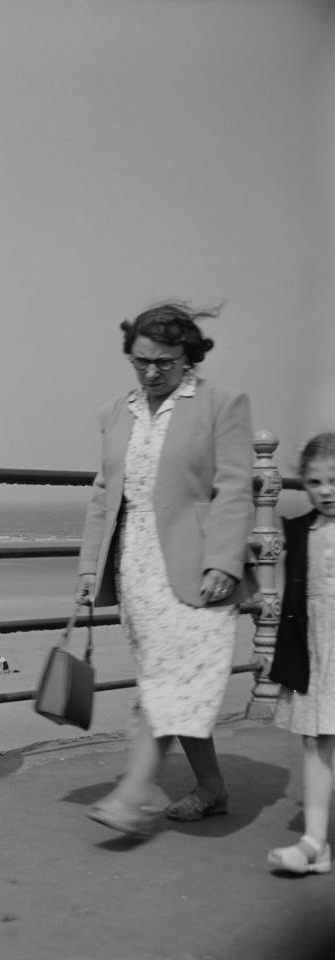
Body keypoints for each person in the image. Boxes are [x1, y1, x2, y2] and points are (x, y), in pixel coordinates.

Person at [76, 301, 256, 839]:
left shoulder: (222, 404)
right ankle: (212, 787)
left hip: (199, 567)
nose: (152, 372)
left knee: (168, 682)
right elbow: (105, 494)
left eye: (165, 362)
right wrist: (90, 567)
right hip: (137, 567)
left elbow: (234, 487)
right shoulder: (115, 412)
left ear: (188, 357)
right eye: (141, 361)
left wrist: (225, 559)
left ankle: (135, 791)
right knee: (170, 680)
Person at [266, 433, 335, 875]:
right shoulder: (297, 531)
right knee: (317, 741)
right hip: (319, 653)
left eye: (333, 480)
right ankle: (314, 843)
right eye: (314, 482)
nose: (325, 491)